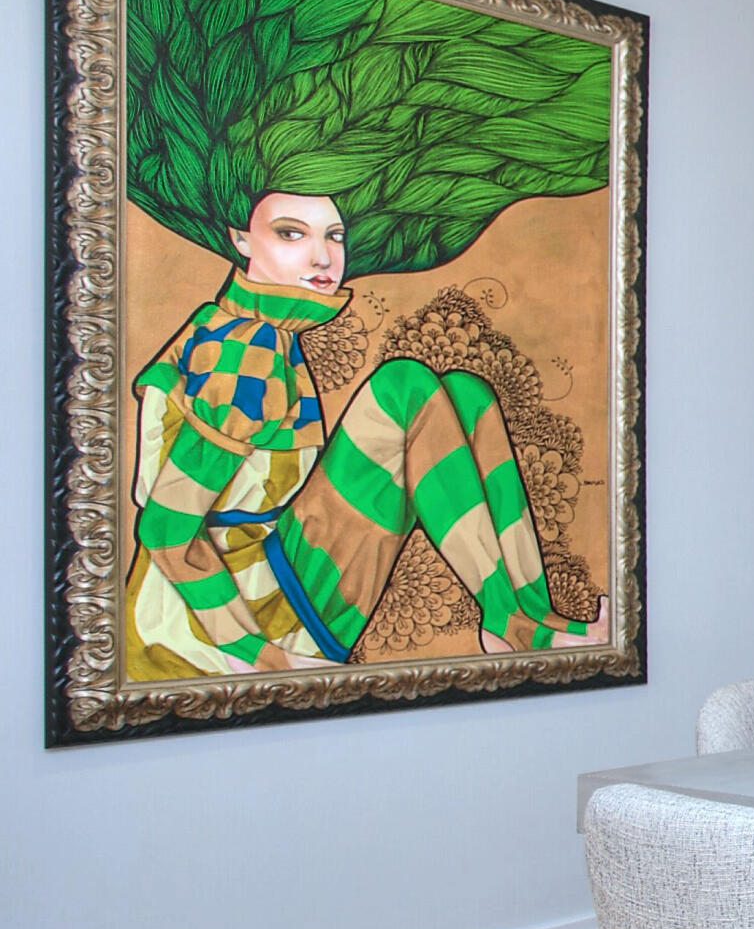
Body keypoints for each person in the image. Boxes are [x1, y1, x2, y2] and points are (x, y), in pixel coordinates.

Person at [124, 188, 607, 679]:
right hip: (215, 622)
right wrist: (261, 655)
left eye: (334, 236)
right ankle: (511, 619)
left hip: (269, 570)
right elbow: (166, 532)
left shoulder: (254, 328)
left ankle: (526, 613)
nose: (323, 258)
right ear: (239, 239)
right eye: (291, 233)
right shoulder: (247, 348)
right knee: (405, 387)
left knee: (466, 393)